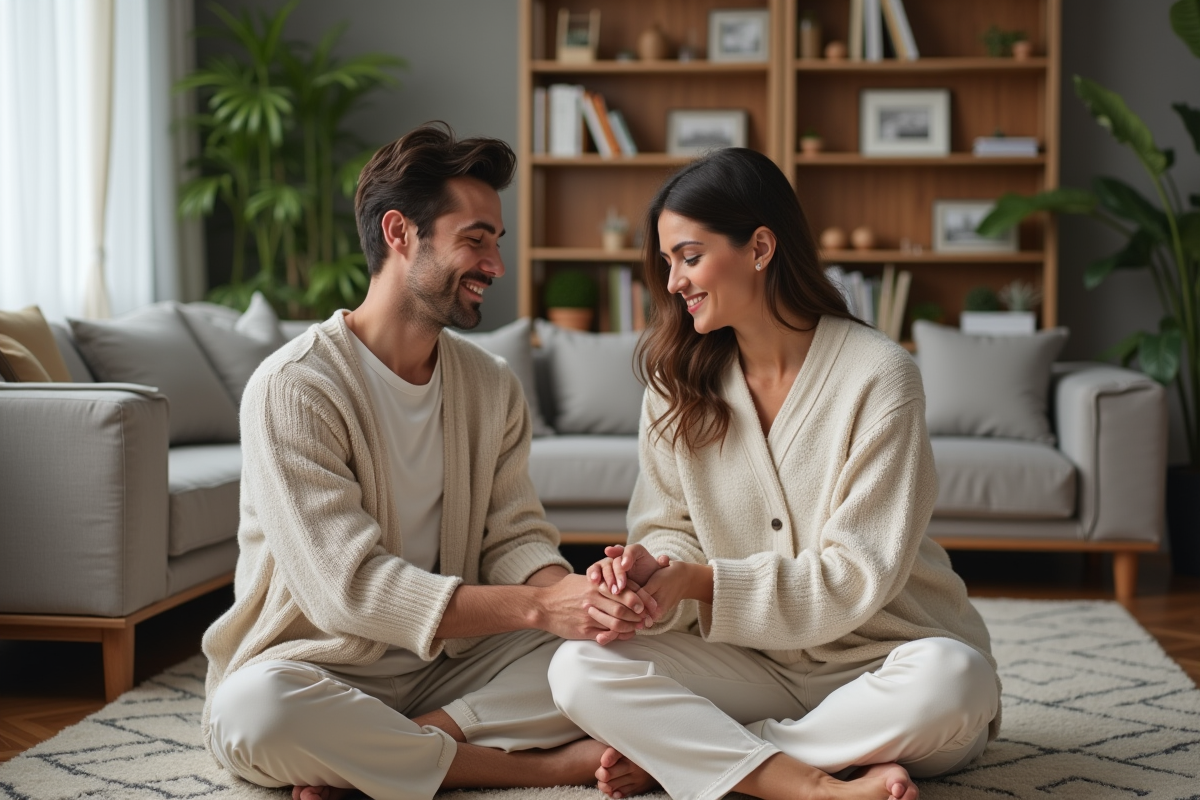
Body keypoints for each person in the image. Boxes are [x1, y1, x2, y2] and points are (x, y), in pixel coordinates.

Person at [201, 123, 657, 800]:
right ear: (399, 233)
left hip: (453, 664)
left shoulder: (490, 383)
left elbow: (514, 537)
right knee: (255, 714)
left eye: (496, 242)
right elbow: (348, 590)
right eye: (475, 238)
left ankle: (385, 750)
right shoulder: (295, 387)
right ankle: (539, 765)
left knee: (629, 656)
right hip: (324, 667)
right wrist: (538, 607)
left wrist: (579, 602)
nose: (495, 265)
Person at [547, 148, 1000, 800]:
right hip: (753, 665)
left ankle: (719, 759)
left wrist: (699, 583)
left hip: (884, 658)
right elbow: (669, 528)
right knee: (578, 669)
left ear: (760, 247)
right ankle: (807, 778)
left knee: (957, 682)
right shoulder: (674, 387)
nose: (673, 281)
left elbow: (852, 576)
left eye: (690, 256)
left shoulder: (878, 376)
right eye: (667, 261)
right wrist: (651, 576)